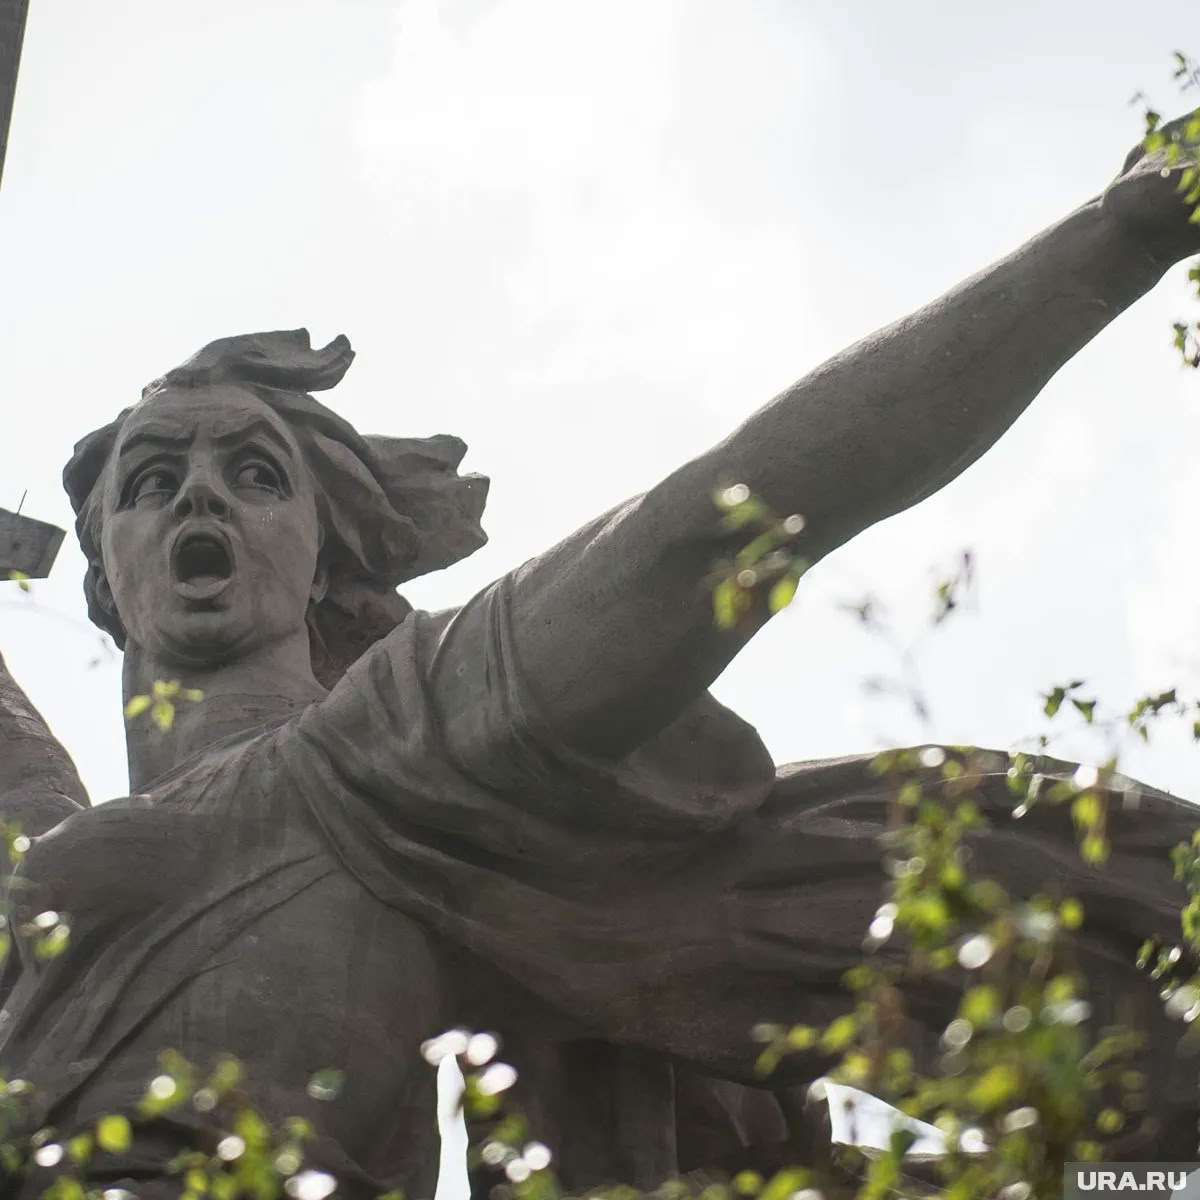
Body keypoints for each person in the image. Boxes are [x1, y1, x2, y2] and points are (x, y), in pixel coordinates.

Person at [1, 116, 1199, 1198]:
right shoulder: (46, 850)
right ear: (103, 568)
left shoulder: (382, 748)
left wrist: (1117, 236)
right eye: (150, 481)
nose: (199, 495)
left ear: (324, 559)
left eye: (256, 473)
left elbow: (713, 522)